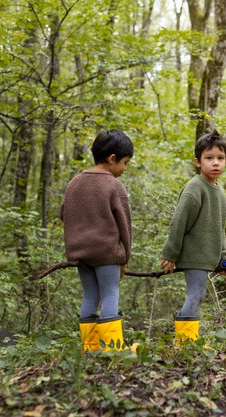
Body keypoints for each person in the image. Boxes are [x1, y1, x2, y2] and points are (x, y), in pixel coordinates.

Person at [60, 129, 134, 352]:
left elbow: (63, 213)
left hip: (80, 254)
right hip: (107, 253)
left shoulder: (74, 183)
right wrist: (124, 256)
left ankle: (90, 347)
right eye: (125, 163)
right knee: (110, 293)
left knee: (90, 296)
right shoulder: (114, 186)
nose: (125, 168)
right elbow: (125, 224)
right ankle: (113, 348)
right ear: (112, 159)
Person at [160, 130, 226, 345]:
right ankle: (184, 344)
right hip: (194, 254)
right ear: (197, 162)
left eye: (220, 158)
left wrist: (225, 257)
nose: (215, 163)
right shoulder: (195, 187)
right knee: (196, 295)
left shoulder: (218, 192)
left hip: (208, 256)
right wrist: (170, 254)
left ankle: (187, 342)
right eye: (209, 158)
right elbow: (178, 223)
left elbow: (218, 228)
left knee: (198, 295)